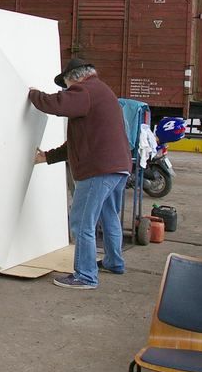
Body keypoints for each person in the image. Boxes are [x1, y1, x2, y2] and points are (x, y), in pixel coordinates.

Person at [28, 58, 132, 290]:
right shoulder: (102, 92)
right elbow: (77, 142)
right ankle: (114, 262)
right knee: (109, 216)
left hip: (99, 169)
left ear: (74, 77)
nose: (66, 89)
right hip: (118, 166)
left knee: (81, 222)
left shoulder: (84, 90)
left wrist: (32, 94)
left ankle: (85, 276)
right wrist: (47, 157)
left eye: (66, 84)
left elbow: (55, 104)